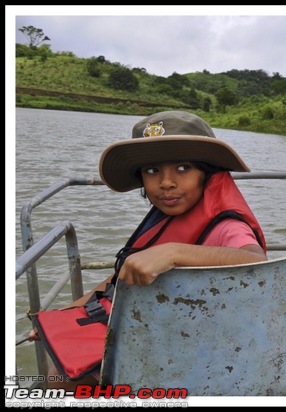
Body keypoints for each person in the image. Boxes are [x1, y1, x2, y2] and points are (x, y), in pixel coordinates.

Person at [27, 110, 268, 389]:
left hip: (200, 352)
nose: (166, 182)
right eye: (152, 171)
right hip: (156, 333)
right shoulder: (166, 218)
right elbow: (116, 282)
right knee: (59, 363)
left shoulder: (225, 227)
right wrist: (64, 314)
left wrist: (174, 252)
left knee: (61, 381)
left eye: (183, 167)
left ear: (207, 174)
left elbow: (255, 260)